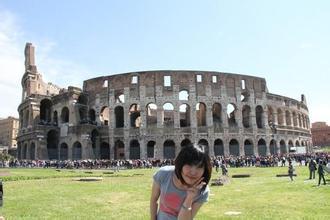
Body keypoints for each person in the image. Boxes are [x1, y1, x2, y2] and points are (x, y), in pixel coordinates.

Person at [150, 144, 212, 220]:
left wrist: (189, 198)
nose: (193, 172)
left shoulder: (203, 191)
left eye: (199, 167)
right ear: (181, 163)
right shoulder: (164, 174)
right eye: (189, 164)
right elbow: (154, 199)